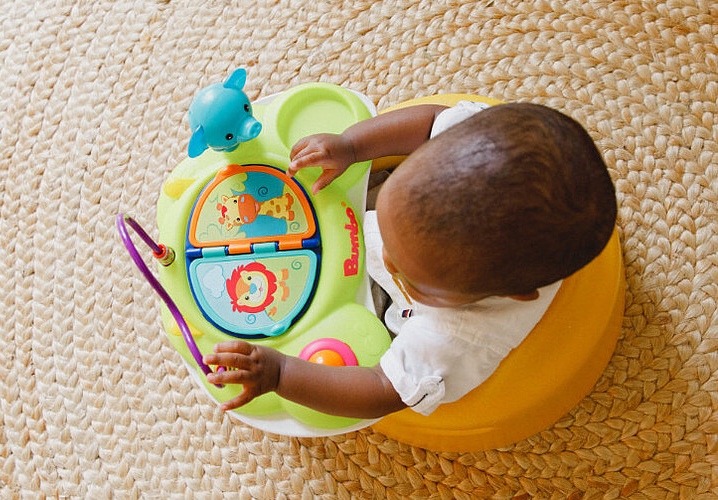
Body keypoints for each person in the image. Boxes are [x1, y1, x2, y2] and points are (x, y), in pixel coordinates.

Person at [201, 100, 617, 418]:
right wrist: (352, 145)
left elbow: (384, 389)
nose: (384, 256)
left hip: (394, 308)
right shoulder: (473, 145)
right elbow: (429, 123)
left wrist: (281, 375)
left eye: (414, 277)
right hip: (409, 221)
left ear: (512, 293)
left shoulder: (458, 336)